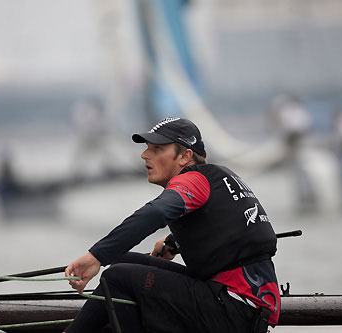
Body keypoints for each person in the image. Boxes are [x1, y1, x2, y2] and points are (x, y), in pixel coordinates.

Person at [64, 117, 280, 333]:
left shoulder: (193, 180)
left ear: (185, 156)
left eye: (157, 149)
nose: (144, 155)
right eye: (147, 148)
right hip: (238, 304)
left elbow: (156, 212)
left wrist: (96, 257)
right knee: (121, 260)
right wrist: (172, 242)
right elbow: (226, 228)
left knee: (116, 278)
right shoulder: (217, 177)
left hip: (236, 309)